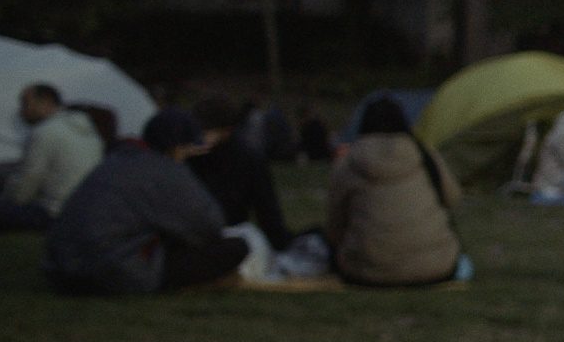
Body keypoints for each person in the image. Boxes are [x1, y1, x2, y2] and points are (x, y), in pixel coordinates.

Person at [40, 108, 248, 294]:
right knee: (235, 248)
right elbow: (210, 224)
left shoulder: (116, 160)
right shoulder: (165, 170)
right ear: (177, 147)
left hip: (61, 270)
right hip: (107, 271)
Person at [325, 97, 464, 286]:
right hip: (435, 268)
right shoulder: (424, 155)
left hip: (364, 272)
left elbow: (334, 227)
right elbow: (453, 198)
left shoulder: (348, 163)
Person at [0, 82, 105, 230]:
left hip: (52, 214)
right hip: (82, 212)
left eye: (25, 103)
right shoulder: (89, 132)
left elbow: (27, 184)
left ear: (46, 101)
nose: (22, 111)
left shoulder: (45, 132)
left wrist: (2, 201)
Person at [188, 95, 297, 249]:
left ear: (226, 131)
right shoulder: (187, 157)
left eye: (205, 131)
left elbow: (266, 209)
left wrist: (280, 241)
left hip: (228, 233)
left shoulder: (246, 159)